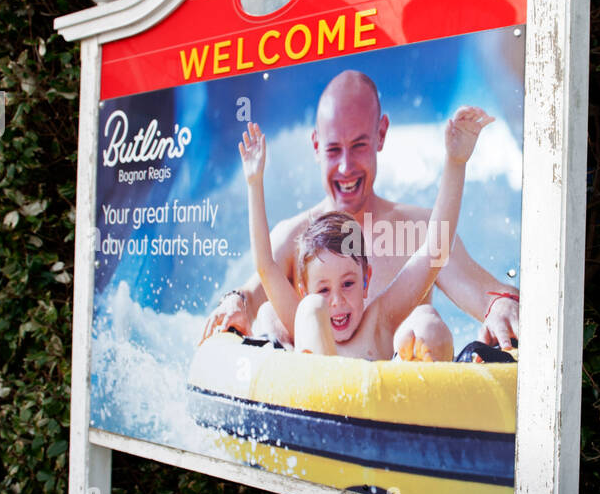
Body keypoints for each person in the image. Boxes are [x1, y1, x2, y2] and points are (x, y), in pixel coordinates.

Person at [201, 70, 521, 350]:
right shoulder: (294, 237)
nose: (346, 167)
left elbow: (484, 291)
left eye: (358, 146)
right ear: (316, 146)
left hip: (399, 392)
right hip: (311, 389)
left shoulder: (418, 231)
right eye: (333, 149)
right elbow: (255, 287)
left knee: (426, 320)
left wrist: (499, 305)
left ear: (380, 135)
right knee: (271, 316)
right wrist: (235, 302)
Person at [236, 105, 489, 359]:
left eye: (348, 284)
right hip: (313, 378)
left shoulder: (378, 323)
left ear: (366, 281)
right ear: (303, 291)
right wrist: (254, 183)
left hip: (387, 381)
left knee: (427, 320)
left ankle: (413, 361)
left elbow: (435, 249)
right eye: (323, 290)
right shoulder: (301, 321)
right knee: (297, 310)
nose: (337, 301)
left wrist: (456, 162)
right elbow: (265, 266)